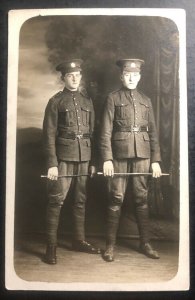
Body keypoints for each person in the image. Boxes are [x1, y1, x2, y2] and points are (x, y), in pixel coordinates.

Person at [99, 59, 162, 262]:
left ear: (140, 76)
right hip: (118, 155)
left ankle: (145, 243)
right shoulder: (113, 98)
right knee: (116, 198)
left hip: (143, 154)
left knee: (141, 199)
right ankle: (110, 246)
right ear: (121, 76)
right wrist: (107, 158)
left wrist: (156, 160)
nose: (131, 77)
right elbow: (105, 131)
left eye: (135, 74)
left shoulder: (146, 100)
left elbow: (153, 132)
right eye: (128, 74)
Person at [43, 59, 100, 264]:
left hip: (84, 157)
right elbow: (48, 135)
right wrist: (52, 163)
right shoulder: (56, 101)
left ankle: (79, 240)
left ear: (81, 77)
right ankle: (51, 246)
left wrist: (93, 161)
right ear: (64, 78)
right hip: (63, 159)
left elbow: (92, 133)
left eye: (77, 75)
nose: (75, 78)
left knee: (80, 201)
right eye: (70, 75)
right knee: (56, 200)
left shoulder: (87, 101)